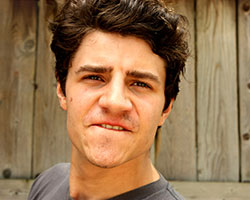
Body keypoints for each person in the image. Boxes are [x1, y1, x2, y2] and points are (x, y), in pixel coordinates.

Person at [28, 0, 189, 199]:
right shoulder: (48, 183)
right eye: (94, 77)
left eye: (140, 84)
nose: (115, 102)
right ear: (62, 88)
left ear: (166, 107)